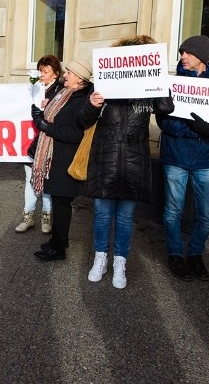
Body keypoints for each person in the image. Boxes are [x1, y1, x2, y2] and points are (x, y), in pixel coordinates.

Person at [81, 35, 174, 289]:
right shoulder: (102, 81)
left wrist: (159, 77)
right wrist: (91, 104)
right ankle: (100, 258)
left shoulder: (150, 86)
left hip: (134, 157)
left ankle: (120, 261)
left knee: (124, 216)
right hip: (106, 155)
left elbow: (166, 107)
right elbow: (84, 119)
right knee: (102, 213)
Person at [156, 35, 209, 282]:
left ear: (202, 56)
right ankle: (174, 253)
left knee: (205, 214)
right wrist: (194, 129)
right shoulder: (173, 84)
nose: (182, 57)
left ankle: (195, 254)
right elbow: (164, 121)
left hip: (206, 159)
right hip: (176, 157)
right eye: (181, 52)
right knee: (173, 210)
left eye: (187, 53)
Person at [31, 59, 94, 262]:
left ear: (80, 79)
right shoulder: (66, 93)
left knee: (61, 203)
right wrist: (41, 114)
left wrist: (46, 127)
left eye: (69, 72)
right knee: (59, 202)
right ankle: (58, 241)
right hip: (55, 156)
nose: (65, 75)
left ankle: (58, 248)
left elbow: (75, 134)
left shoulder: (82, 100)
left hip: (66, 158)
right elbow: (53, 115)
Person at [16, 54, 63, 234]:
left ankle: (46, 215)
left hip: (49, 144)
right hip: (32, 143)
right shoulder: (33, 88)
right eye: (40, 71)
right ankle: (28, 216)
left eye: (46, 71)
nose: (42, 74)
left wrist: (49, 106)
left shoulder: (60, 92)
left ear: (55, 74)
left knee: (46, 181)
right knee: (30, 180)